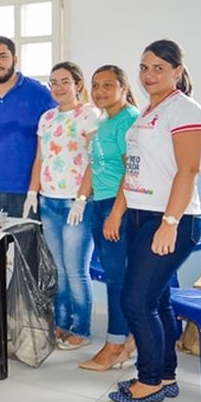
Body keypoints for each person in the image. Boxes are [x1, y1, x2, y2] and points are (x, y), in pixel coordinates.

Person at [109, 39, 201, 402]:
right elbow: (134, 168)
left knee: (135, 301)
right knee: (157, 299)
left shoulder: (184, 110)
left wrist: (170, 222)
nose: (148, 75)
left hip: (170, 218)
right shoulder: (149, 110)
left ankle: (149, 380)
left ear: (177, 71)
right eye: (144, 67)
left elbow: (189, 170)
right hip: (140, 213)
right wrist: (119, 210)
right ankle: (165, 375)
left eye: (158, 68)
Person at [0, 35, 56, 331]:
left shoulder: (38, 93)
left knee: (27, 256)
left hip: (26, 190)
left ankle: (22, 314)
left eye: (2, 56)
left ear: (15, 59)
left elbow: (55, 135)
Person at [26, 62, 99, 349]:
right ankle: (61, 323)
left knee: (75, 269)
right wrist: (32, 192)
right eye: (53, 82)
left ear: (78, 84)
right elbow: (40, 158)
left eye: (64, 81)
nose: (57, 88)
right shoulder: (47, 118)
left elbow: (95, 160)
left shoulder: (90, 115)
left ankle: (81, 329)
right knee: (57, 269)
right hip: (49, 202)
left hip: (76, 204)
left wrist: (82, 197)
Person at [77, 65, 139, 370]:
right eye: (96, 85)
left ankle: (115, 345)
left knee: (118, 279)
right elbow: (94, 165)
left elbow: (132, 172)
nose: (100, 91)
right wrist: (81, 199)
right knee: (118, 277)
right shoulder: (105, 120)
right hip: (100, 203)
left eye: (108, 85)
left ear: (123, 88)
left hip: (119, 206)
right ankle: (128, 340)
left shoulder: (129, 121)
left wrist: (115, 214)